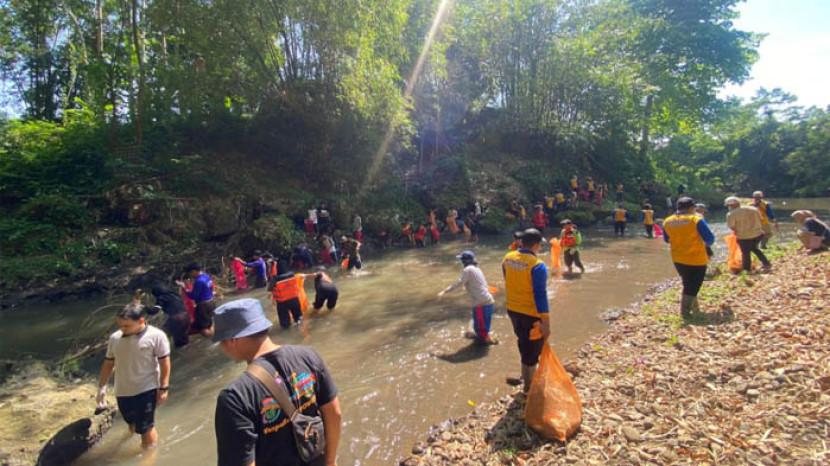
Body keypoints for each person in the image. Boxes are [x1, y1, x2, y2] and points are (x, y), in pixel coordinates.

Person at [213, 298, 341, 466]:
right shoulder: (309, 356)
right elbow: (334, 413)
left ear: (233, 340)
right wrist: (330, 462)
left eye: (222, 341)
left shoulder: (235, 397)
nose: (223, 348)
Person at [97, 303, 171, 449]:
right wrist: (102, 387)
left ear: (141, 321)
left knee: (146, 427)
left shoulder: (156, 336)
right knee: (132, 424)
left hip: (146, 388)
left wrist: (164, 388)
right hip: (123, 390)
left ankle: (148, 455)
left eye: (127, 326)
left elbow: (165, 362)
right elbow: (108, 363)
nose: (122, 329)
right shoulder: (115, 338)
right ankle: (133, 440)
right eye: (120, 325)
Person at [502, 228, 550, 392]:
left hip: (512, 309)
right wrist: (546, 321)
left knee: (523, 341)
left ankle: (526, 377)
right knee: (533, 347)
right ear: (536, 245)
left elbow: (507, 279)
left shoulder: (508, 258)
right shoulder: (537, 265)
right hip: (531, 313)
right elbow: (540, 294)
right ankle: (529, 386)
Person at [662, 197, 715, 319]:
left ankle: (695, 308)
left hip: (678, 258)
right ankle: (685, 312)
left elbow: (667, 239)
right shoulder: (696, 219)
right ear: (692, 207)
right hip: (696, 259)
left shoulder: (667, 221)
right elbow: (710, 239)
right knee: (693, 286)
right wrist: (703, 245)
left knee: (688, 283)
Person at [438, 250, 497, 344]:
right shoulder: (477, 268)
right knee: (480, 327)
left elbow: (459, 283)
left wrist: (445, 291)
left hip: (481, 303)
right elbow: (482, 284)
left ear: (465, 261)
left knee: (482, 331)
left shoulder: (468, 270)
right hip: (486, 301)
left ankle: (488, 342)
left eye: (462, 260)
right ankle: (484, 341)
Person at [725, 196, 771, 273]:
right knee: (754, 248)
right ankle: (766, 263)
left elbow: (731, 226)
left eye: (728, 205)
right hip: (758, 234)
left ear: (731, 205)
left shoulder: (731, 214)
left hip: (744, 237)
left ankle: (746, 269)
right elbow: (761, 219)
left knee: (745, 253)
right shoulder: (753, 209)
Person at [149, 282, 192, 348]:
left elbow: (154, 311)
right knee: (183, 339)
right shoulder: (175, 295)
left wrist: (144, 308)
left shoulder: (161, 298)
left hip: (176, 319)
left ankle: (155, 349)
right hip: (186, 317)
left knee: (164, 334)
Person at [178, 263, 215, 337]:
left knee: (203, 328)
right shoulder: (206, 276)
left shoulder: (199, 281)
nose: (190, 275)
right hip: (211, 302)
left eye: (190, 273)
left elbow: (193, 296)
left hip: (203, 305)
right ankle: (214, 336)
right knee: (209, 323)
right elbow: (211, 287)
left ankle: (212, 339)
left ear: (194, 271)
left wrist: (185, 288)